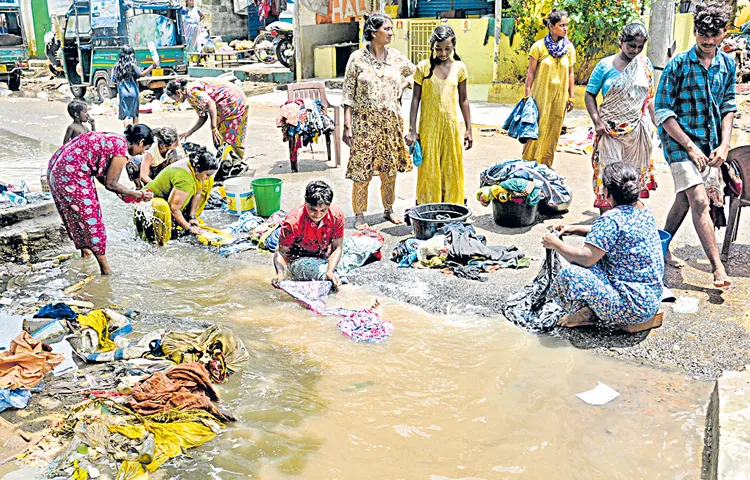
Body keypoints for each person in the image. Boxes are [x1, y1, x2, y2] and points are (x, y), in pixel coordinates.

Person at [655, 1, 735, 288]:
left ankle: (658, 248)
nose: (708, 40)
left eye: (714, 34)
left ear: (725, 32)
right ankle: (717, 268)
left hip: (710, 145)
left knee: (683, 199)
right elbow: (662, 111)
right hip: (679, 143)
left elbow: (728, 107)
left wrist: (724, 145)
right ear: (696, 30)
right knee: (699, 200)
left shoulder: (727, 64)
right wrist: (688, 146)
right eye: (702, 33)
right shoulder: (678, 64)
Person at [542, 162, 664, 331]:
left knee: (570, 273)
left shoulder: (611, 219)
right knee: (601, 259)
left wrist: (555, 244)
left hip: (631, 307)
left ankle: (587, 315)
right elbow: (616, 234)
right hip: (649, 299)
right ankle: (594, 309)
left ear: (606, 192)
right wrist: (574, 229)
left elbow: (586, 259)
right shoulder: (643, 210)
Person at [47, 126, 155, 275]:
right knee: (92, 220)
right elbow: (111, 184)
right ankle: (106, 270)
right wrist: (138, 194)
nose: (141, 153)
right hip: (71, 175)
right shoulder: (121, 151)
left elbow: (99, 171)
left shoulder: (113, 137)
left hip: (57, 171)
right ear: (141, 142)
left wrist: (124, 193)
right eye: (144, 149)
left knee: (75, 215)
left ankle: (85, 253)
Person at [342, 13, 415, 229]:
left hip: (390, 125)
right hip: (364, 126)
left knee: (389, 171)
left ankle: (388, 209)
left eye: (392, 28)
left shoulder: (396, 57)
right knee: (362, 171)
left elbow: (418, 73)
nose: (391, 32)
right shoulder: (357, 59)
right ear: (374, 32)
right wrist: (347, 126)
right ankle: (359, 214)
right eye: (387, 29)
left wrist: (404, 85)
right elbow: (348, 94)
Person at [586, 23, 657, 213]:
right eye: (631, 45)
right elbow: (589, 94)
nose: (635, 50)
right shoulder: (605, 66)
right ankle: (607, 217)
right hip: (610, 130)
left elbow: (649, 97)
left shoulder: (645, 65)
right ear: (621, 42)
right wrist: (597, 121)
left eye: (640, 47)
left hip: (637, 132)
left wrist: (657, 122)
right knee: (610, 175)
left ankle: (628, 217)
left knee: (631, 178)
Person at [406, 25, 472, 205]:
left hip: (451, 128)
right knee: (430, 169)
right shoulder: (423, 67)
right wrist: (412, 130)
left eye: (447, 49)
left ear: (454, 47)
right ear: (432, 47)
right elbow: (415, 100)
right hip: (428, 128)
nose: (442, 53)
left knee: (451, 167)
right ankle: (429, 208)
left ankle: (452, 207)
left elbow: (464, 99)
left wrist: (469, 129)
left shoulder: (459, 67)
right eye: (438, 49)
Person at [522, 9, 576, 167]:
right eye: (562, 25)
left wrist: (571, 96)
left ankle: (546, 166)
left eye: (566, 25)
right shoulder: (538, 47)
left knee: (553, 132)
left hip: (559, 100)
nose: (565, 29)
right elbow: (530, 73)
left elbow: (571, 73)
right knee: (535, 130)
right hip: (540, 97)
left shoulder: (569, 49)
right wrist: (527, 97)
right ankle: (528, 165)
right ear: (551, 26)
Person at [135, 147, 218, 245]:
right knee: (162, 206)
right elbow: (174, 208)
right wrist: (190, 228)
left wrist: (192, 217)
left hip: (172, 202)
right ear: (197, 169)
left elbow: (198, 192)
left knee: (208, 182)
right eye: (207, 174)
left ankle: (183, 221)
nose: (208, 177)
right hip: (149, 204)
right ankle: (161, 242)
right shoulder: (185, 178)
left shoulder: (195, 164)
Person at [272, 181, 345, 286]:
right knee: (326, 278)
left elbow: (337, 247)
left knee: (363, 247)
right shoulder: (293, 222)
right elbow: (280, 251)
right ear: (305, 202)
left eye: (322, 210)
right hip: (298, 258)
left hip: (323, 253)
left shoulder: (336, 215)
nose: (317, 214)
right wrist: (280, 274)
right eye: (313, 209)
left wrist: (330, 271)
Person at [166, 78, 248, 160]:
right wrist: (189, 132)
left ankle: (237, 162)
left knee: (229, 137)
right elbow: (203, 116)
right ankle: (230, 160)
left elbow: (210, 103)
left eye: (174, 99)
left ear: (178, 92)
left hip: (234, 101)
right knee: (220, 140)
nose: (176, 101)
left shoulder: (192, 92)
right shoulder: (190, 97)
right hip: (226, 105)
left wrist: (213, 128)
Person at [112, 45, 159, 128]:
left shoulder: (116, 66)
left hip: (123, 94)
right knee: (135, 114)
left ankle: (128, 133)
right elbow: (142, 74)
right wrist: (153, 66)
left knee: (127, 116)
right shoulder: (132, 66)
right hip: (133, 93)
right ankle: (135, 134)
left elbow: (113, 80)